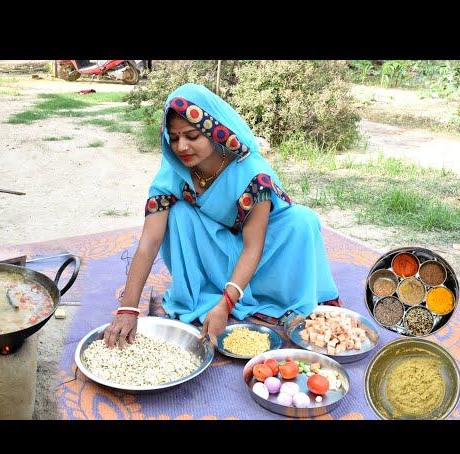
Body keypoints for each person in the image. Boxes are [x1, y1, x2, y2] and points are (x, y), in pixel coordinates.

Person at [104, 83, 340, 349]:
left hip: (265, 253)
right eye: (174, 137)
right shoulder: (171, 173)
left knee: (302, 221)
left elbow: (253, 246)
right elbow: (149, 241)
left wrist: (226, 305)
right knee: (179, 214)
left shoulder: (251, 173)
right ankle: (205, 293)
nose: (182, 147)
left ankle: (259, 294)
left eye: (192, 136)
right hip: (216, 248)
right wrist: (128, 309)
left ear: (215, 131)